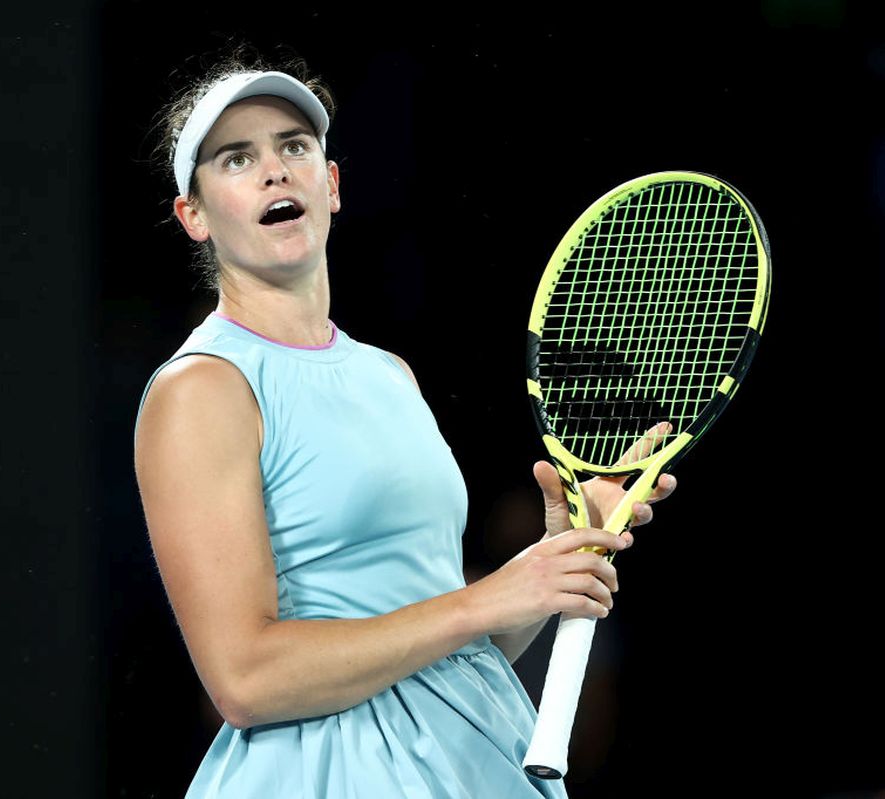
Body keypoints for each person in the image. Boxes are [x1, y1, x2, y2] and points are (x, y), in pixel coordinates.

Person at [132, 49, 677, 798]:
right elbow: (245, 677)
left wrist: (552, 565)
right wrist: (490, 595)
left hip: (472, 763)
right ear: (194, 216)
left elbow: (437, 645)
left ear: (331, 184)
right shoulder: (202, 390)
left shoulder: (389, 375)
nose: (274, 170)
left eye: (295, 147)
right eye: (236, 158)